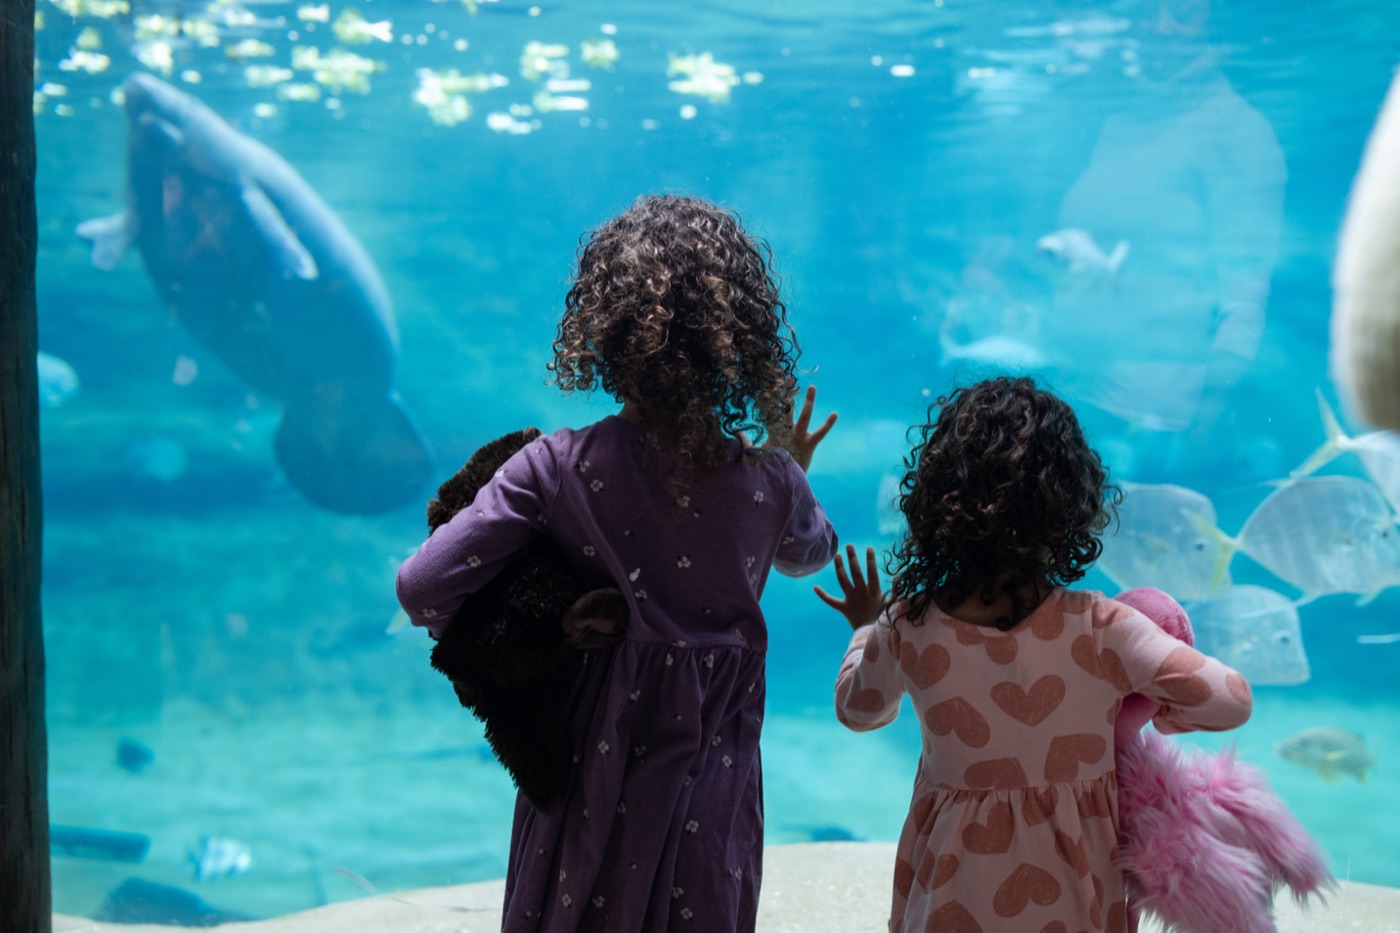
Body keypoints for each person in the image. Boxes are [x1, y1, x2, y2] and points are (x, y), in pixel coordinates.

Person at [396, 194, 839, 933]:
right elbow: (809, 552)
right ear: (738, 341)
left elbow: (421, 588)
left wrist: (536, 615)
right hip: (714, 789)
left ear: (604, 330)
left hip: (588, 772)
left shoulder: (552, 470)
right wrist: (790, 464)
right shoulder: (771, 483)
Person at [817, 376, 1253, 933]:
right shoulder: (1103, 628)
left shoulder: (908, 625)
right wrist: (1157, 713)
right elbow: (1232, 702)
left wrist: (863, 627)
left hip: (954, 895)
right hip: (1075, 899)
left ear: (935, 503)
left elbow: (858, 711)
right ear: (1069, 505)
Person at [1040, 0, 1286, 479]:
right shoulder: (1118, 121)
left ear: (1215, 23)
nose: (1161, 25)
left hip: (1155, 425)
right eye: (1149, 9)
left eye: (1182, 12)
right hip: (1079, 399)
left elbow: (1244, 294)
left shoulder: (1236, 129)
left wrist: (1207, 421)